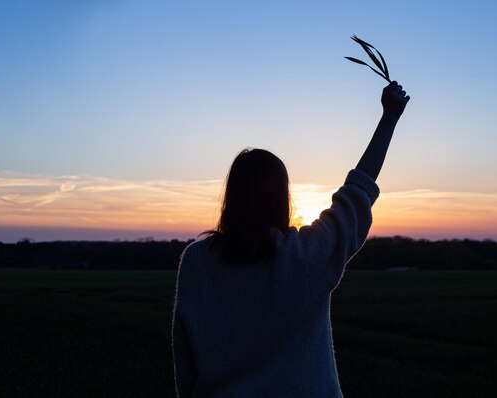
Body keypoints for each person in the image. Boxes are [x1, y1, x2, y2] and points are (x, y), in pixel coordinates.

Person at [172, 81, 410, 397]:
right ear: (282, 199)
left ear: (232, 197)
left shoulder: (197, 261)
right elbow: (358, 190)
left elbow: (184, 360)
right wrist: (389, 117)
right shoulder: (305, 256)